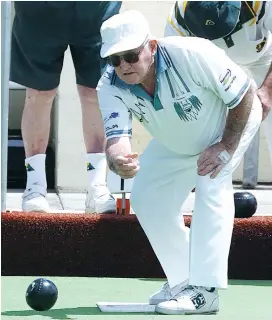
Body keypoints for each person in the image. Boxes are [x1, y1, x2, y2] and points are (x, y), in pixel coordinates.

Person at [96, 10, 262, 315]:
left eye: (131, 55)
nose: (123, 66)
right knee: (146, 198)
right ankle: (184, 279)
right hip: (176, 140)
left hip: (225, 126)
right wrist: (117, 158)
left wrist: (225, 145)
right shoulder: (108, 86)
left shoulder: (192, 54)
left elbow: (244, 95)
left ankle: (205, 291)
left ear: (152, 46)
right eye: (114, 60)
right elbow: (116, 137)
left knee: (212, 183)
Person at [10, 1, 122, 213]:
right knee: (39, 94)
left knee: (95, 93)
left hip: (96, 8)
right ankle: (35, 187)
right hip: (40, 9)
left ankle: (97, 185)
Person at [165, 1, 272, 187]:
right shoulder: (178, 19)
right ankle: (203, 182)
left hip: (262, 59)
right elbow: (175, 70)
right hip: (215, 68)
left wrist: (269, 90)